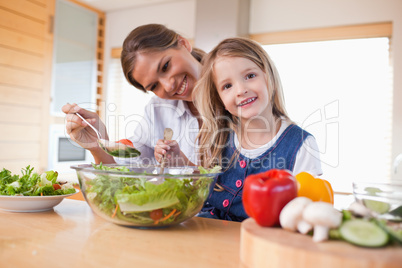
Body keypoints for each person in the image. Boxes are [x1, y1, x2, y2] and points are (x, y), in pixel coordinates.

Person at [157, 37, 323, 222]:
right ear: (220, 99)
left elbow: (307, 212)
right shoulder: (218, 136)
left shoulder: (302, 144)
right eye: (227, 86)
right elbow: (203, 188)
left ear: (269, 76)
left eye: (250, 76)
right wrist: (180, 161)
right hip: (207, 234)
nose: (240, 90)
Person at [62, 24, 205, 165]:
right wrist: (97, 146)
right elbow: (124, 174)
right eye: (154, 86)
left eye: (165, 66)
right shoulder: (157, 109)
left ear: (184, 44)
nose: (168, 85)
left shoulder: (226, 92)